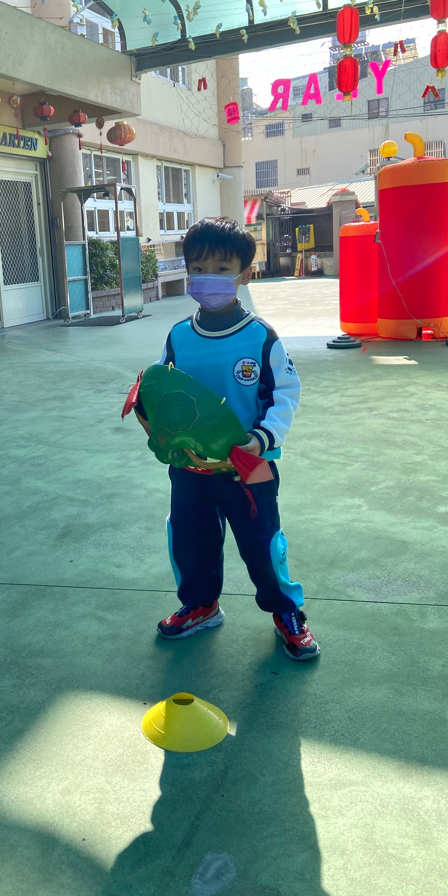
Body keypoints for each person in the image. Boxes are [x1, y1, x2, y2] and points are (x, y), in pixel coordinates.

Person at [136, 218, 320, 661]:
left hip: (250, 465)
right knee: (189, 540)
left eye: (221, 268)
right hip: (190, 466)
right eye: (199, 268)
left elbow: (285, 393)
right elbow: (164, 389)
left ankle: (286, 611)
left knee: (263, 543)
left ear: (244, 274)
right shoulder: (179, 336)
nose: (209, 277)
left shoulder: (260, 336)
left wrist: (263, 437)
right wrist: (150, 412)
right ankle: (201, 605)